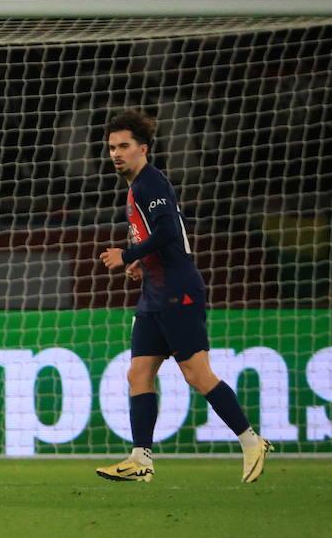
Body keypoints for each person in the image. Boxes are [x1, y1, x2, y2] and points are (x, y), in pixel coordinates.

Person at [96, 110, 272, 484]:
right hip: (155, 291)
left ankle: (251, 441)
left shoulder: (150, 183)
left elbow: (169, 232)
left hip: (178, 291)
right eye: (111, 147)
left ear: (142, 149)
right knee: (138, 372)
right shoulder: (135, 188)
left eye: (124, 146)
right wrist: (143, 264)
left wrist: (127, 254)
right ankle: (141, 457)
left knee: (197, 374)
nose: (116, 153)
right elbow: (163, 238)